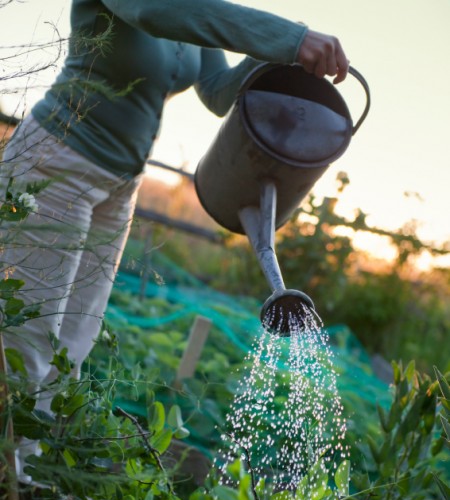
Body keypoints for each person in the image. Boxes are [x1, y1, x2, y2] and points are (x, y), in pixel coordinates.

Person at [0, 0, 349, 468]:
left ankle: (32, 476)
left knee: (74, 344)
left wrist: (279, 52)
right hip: (57, 161)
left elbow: (218, 92)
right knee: (28, 337)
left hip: (120, 184)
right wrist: (287, 36)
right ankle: (11, 483)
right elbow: (152, 12)